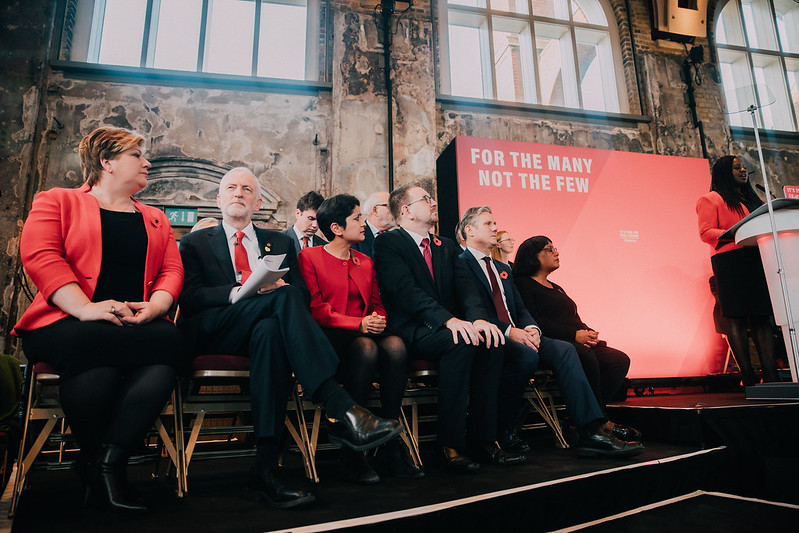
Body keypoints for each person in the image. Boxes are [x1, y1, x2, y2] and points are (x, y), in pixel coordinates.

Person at [178, 168, 401, 508]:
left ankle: (264, 472)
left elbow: (301, 294)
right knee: (281, 302)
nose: (238, 193)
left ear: (258, 202)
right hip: (217, 327)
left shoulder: (279, 242)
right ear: (219, 199)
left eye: (247, 189)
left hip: (262, 328)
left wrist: (280, 286)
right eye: (231, 188)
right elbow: (191, 297)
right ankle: (339, 405)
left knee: (272, 329)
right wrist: (240, 291)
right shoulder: (195, 242)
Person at [12, 126, 185, 513]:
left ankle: (104, 463)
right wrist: (85, 308)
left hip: (132, 325)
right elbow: (41, 256)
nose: (147, 163)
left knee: (171, 341)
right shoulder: (57, 201)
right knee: (92, 342)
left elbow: (172, 271)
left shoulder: (155, 218)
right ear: (106, 162)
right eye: (137, 155)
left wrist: (156, 306)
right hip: (65, 322)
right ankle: (104, 466)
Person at [459, 207, 643, 458]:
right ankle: (504, 429)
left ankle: (590, 431)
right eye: (488, 223)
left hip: (526, 334)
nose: (495, 228)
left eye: (495, 223)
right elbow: (470, 308)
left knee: (566, 349)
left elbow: (520, 309)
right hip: (495, 335)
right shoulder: (460, 263)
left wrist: (532, 328)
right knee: (539, 354)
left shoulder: (503, 269)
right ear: (469, 230)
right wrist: (511, 331)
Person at [373, 182, 524, 474]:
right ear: (406, 211)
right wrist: (448, 320)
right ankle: (450, 445)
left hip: (448, 327)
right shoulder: (389, 243)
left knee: (491, 340)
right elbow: (406, 292)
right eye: (425, 199)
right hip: (414, 328)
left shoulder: (446, 245)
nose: (433, 202)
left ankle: (484, 439)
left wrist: (479, 319)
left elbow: (466, 289)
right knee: (461, 343)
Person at [299, 194, 422, 483]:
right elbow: (316, 309)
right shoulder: (310, 257)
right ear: (336, 228)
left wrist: (378, 320)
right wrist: (360, 324)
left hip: (365, 332)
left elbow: (377, 303)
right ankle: (353, 450)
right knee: (366, 347)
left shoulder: (365, 260)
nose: (363, 223)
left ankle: (389, 441)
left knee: (395, 346)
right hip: (331, 339)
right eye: (356, 218)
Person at [513, 236, 631, 411]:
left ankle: (596, 411)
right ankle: (593, 418)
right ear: (533, 256)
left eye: (555, 248)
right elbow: (535, 321)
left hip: (575, 340)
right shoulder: (523, 284)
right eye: (549, 249)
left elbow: (573, 318)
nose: (556, 253)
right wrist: (574, 335)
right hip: (552, 342)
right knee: (586, 357)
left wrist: (588, 333)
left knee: (618, 360)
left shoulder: (556, 287)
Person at [696, 155, 778, 385]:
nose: (743, 170)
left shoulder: (754, 199)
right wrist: (737, 233)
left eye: (744, 167)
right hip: (730, 261)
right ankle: (748, 377)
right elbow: (705, 232)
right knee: (736, 318)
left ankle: (771, 377)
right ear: (724, 172)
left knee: (762, 316)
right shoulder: (711, 199)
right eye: (736, 167)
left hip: (756, 258)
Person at [352, 191, 394, 257]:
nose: (395, 211)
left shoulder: (395, 238)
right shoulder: (355, 237)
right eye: (391, 207)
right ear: (375, 210)